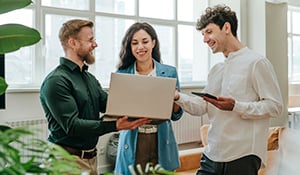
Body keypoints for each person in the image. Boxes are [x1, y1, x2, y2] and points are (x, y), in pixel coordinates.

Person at [174, 4, 283, 175]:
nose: (205, 39)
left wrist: (235, 106)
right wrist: (177, 96)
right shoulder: (216, 70)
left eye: (209, 32)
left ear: (226, 27)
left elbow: (275, 106)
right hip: (212, 155)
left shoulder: (256, 63)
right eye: (203, 35)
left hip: (242, 155)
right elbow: (202, 107)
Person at [39, 19, 150, 175]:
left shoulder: (89, 79)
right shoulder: (56, 81)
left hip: (91, 159)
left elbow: (110, 104)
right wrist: (115, 126)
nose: (95, 44)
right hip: (65, 161)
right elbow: (73, 126)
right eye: (90, 40)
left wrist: (147, 101)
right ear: (73, 43)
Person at [114, 22, 184, 175]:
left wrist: (176, 100)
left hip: (161, 140)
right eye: (135, 43)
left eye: (145, 41)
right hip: (133, 139)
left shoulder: (169, 72)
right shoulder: (122, 73)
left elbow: (176, 115)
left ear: (153, 42)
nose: (140, 47)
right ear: (130, 47)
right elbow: (118, 111)